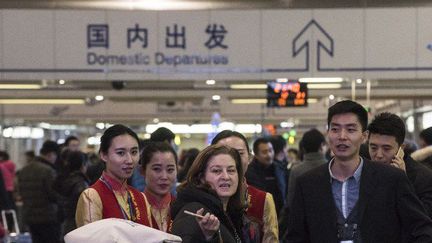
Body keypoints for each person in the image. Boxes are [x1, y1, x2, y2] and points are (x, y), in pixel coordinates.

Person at [287, 100, 432, 242]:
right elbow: (296, 236)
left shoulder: (392, 179)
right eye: (335, 129)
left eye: (351, 129)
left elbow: (422, 228)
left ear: (364, 136)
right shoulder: (307, 183)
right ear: (328, 134)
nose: (342, 136)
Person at [75, 124, 152, 227]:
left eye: (134, 152)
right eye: (120, 153)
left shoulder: (141, 198)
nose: (129, 160)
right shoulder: (92, 196)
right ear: (103, 155)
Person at [211, 130, 278, 242]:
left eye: (239, 153)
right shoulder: (203, 197)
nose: (232, 159)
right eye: (223, 153)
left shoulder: (262, 200)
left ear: (250, 158)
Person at [171, 145, 244, 243]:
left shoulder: (230, 211)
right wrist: (208, 237)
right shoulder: (194, 212)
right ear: (201, 177)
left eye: (231, 170)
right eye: (216, 171)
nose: (226, 177)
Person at [367, 112, 432, 217]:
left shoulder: (423, 178)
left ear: (401, 149)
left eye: (386, 149)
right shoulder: (363, 172)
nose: (378, 155)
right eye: (373, 148)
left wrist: (403, 184)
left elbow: (421, 220)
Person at [280, 128, 327, 240]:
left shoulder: (296, 170)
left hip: (302, 226)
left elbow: (291, 201)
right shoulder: (331, 167)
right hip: (326, 224)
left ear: (303, 148)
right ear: (322, 146)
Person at [18, 140, 62, 243]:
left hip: (30, 216)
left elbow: (20, 191)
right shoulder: (48, 171)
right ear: (51, 154)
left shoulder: (24, 169)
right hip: (48, 217)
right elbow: (54, 194)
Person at [141, 142, 177, 232]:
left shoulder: (181, 208)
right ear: (143, 171)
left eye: (170, 170)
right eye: (157, 169)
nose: (164, 176)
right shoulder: (131, 207)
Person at [246, 137, 288, 216]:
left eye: (270, 150)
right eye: (264, 152)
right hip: (258, 215)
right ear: (256, 154)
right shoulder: (249, 173)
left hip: (280, 216)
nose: (269, 155)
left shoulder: (280, 170)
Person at [53, 150, 90, 236]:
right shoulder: (81, 183)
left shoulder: (62, 179)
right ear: (82, 165)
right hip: (78, 225)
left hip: (65, 224)